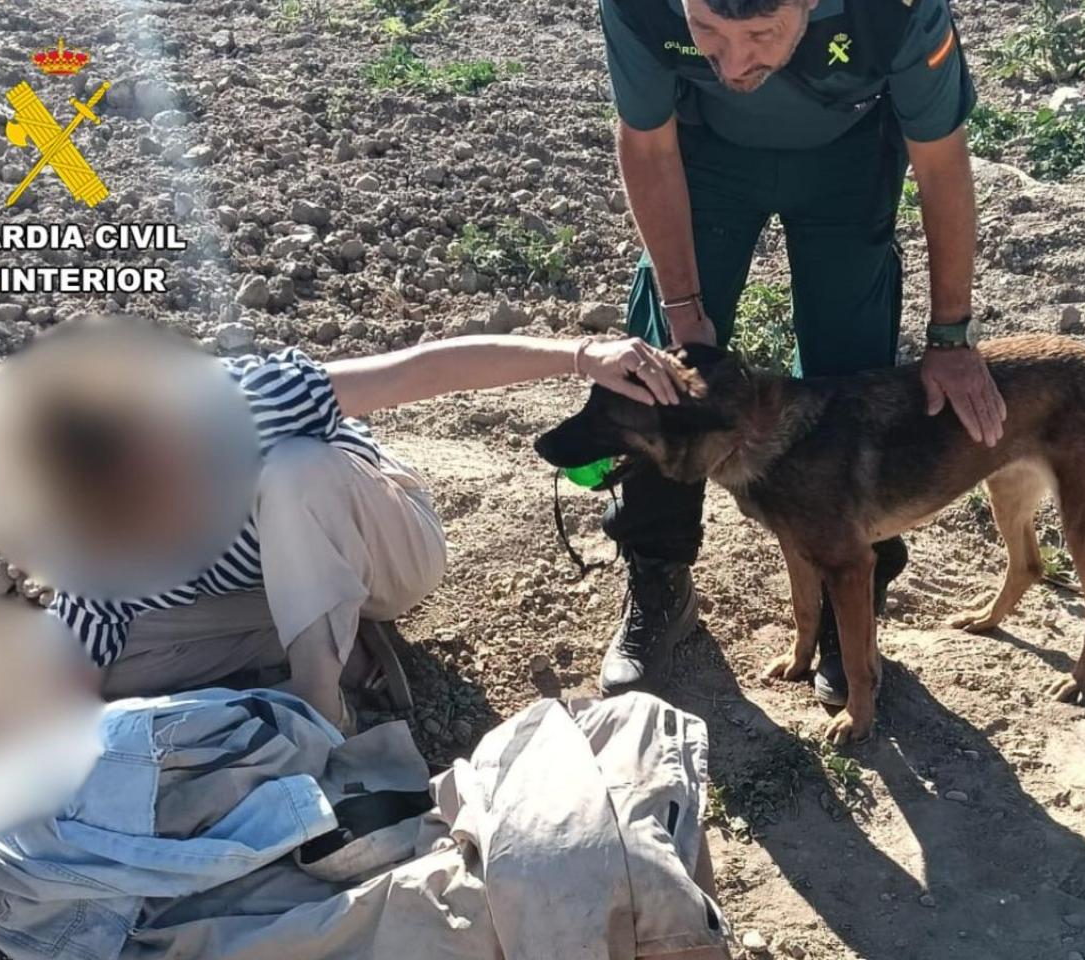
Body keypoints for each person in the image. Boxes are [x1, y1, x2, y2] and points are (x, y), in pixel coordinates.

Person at [593, 0, 1009, 702]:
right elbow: (647, 145)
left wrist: (950, 336)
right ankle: (658, 572)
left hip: (845, 155)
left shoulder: (898, 12)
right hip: (705, 161)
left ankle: (857, 593)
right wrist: (686, 311)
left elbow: (941, 164)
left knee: (851, 363)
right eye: (707, 33)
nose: (730, 65)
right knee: (662, 374)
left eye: (760, 35)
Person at [52, 325, 685, 733]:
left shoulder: (240, 406)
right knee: (100, 669)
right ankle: (335, 643)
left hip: (381, 542)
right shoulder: (88, 547)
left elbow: (418, 371)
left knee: (296, 471)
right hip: (259, 595)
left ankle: (320, 710)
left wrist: (579, 356)